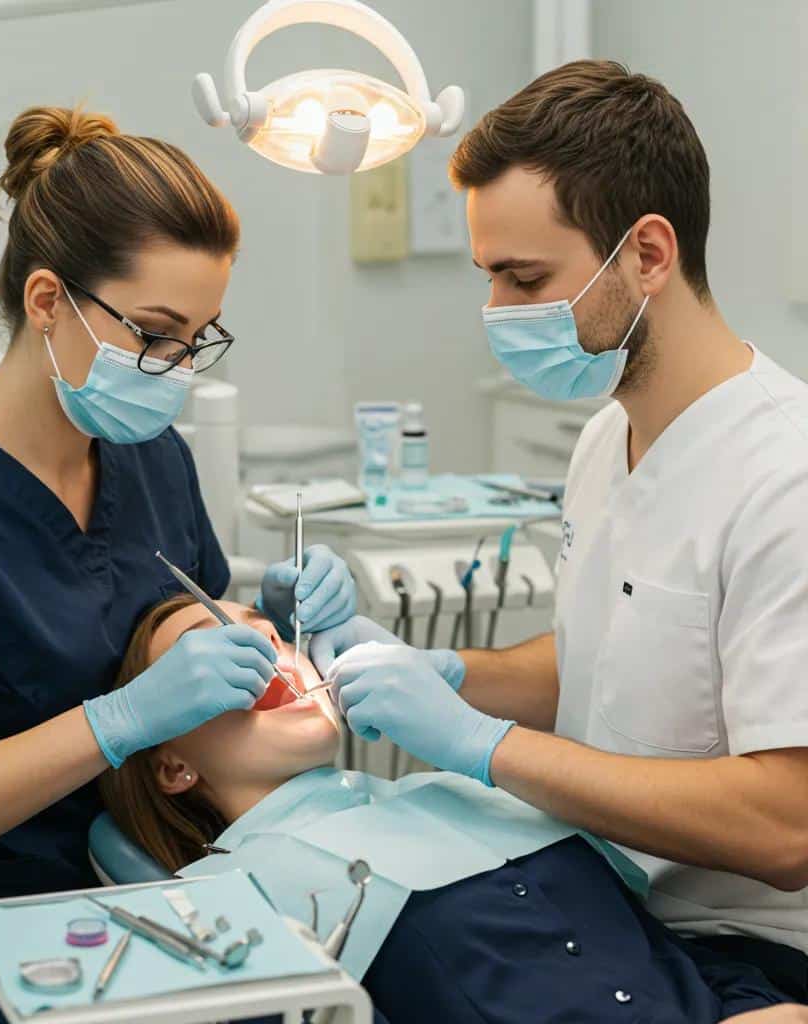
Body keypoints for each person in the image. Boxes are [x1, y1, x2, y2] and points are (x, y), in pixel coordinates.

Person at [0, 105, 356, 1024]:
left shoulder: (154, 460)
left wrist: (268, 623)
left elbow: (175, 648)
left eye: (198, 338)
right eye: (155, 333)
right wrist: (118, 721)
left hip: (141, 898)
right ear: (48, 301)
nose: (178, 369)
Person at [311, 59, 808, 1003]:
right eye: (490, 277)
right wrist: (442, 672)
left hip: (744, 949)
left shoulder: (786, 478)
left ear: (648, 254)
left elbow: (789, 825)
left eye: (526, 277)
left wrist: (482, 743)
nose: (498, 312)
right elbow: (608, 655)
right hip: (609, 899)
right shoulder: (606, 438)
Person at [99, 592, 808, 1024]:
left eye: (271, 634)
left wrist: (760, 1009)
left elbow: (668, 952)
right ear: (172, 766)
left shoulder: (467, 795)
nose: (264, 651)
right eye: (213, 655)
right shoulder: (221, 906)